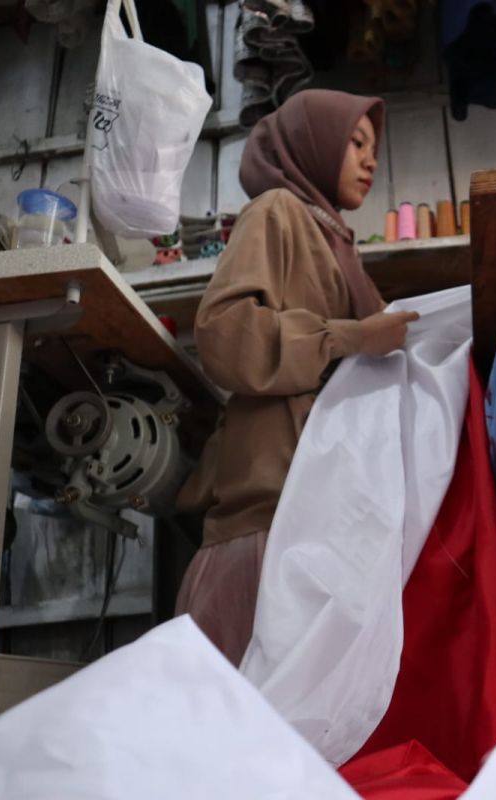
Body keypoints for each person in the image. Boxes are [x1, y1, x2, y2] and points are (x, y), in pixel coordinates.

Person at [174, 89, 419, 665]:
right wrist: (353, 337)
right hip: (267, 517)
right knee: (239, 720)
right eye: (355, 142)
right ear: (313, 144)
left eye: (374, 149)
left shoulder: (338, 246)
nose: (370, 160)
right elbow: (226, 334)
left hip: (320, 515)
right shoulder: (277, 212)